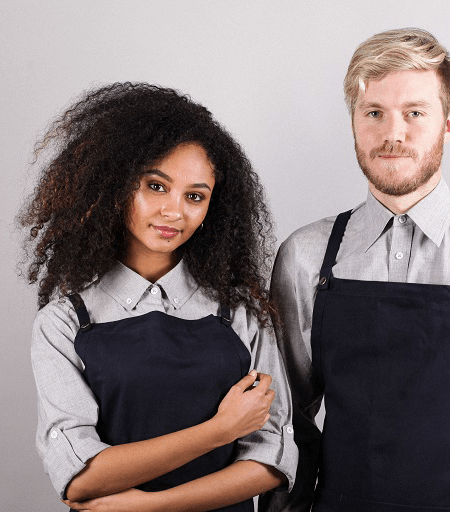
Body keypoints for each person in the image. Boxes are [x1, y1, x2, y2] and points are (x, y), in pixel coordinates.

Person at [260, 29, 450, 512]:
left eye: (415, 113)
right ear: (353, 122)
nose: (393, 134)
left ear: (449, 122)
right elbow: (284, 419)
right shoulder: (305, 255)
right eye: (374, 113)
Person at [19, 83, 296, 512]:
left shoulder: (242, 315)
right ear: (114, 186)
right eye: (155, 186)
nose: (174, 212)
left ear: (212, 210)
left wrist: (149, 507)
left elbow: (272, 460)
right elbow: (78, 478)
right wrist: (219, 431)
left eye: (195, 196)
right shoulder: (65, 323)